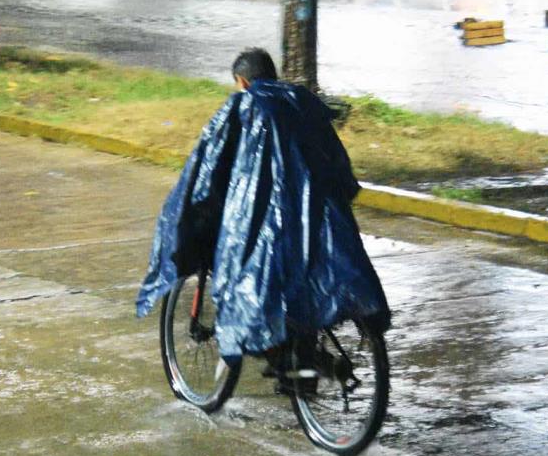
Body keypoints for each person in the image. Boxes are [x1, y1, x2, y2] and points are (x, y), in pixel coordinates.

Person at [136, 48, 390, 374]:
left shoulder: (244, 104)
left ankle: (280, 353)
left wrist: (187, 206)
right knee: (304, 280)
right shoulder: (304, 103)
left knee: (249, 278)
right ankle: (301, 369)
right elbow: (340, 170)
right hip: (321, 219)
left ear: (242, 81)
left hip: (272, 216)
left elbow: (208, 164)